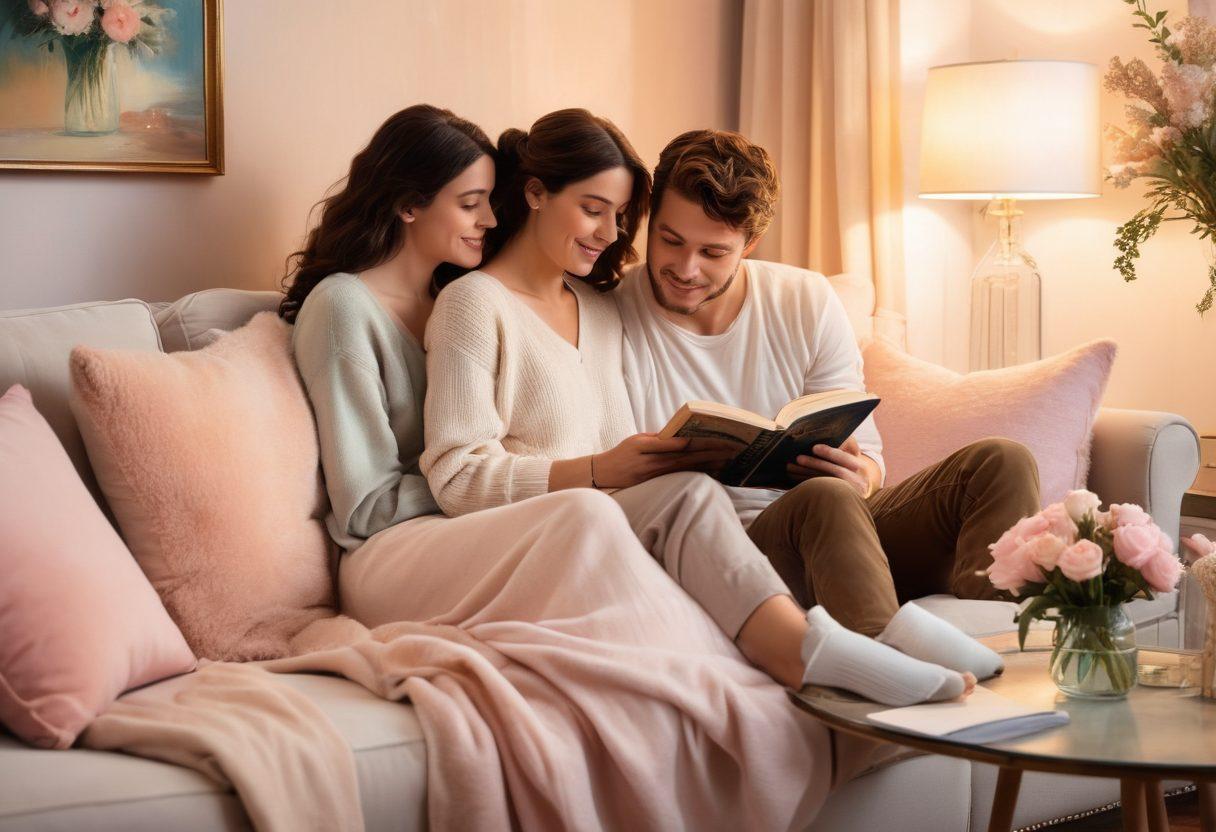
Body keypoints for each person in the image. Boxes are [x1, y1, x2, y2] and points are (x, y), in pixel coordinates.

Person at [280, 105, 852, 829]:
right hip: (398, 545)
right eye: (471, 202)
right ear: (407, 202)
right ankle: (777, 670)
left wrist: (620, 471)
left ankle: (794, 658)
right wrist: (564, 479)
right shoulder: (351, 307)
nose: (488, 218)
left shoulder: (477, 297)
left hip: (510, 525)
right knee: (588, 514)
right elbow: (369, 504)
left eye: (491, 198)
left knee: (679, 494)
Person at [422, 108, 993, 708]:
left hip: (621, 520)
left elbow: (620, 453)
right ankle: (830, 651)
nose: (610, 234)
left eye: (619, 217)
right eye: (596, 210)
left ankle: (954, 643)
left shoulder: (595, 309)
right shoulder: (475, 303)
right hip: (557, 529)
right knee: (696, 494)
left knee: (986, 464)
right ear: (535, 192)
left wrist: (862, 470)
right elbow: (458, 475)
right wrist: (602, 471)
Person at [614, 127, 1042, 648]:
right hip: (728, 552)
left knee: (1002, 462)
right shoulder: (612, 310)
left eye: (713, 252)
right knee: (824, 499)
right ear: (649, 220)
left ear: (749, 243)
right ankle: (884, 688)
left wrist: (860, 474)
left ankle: (1001, 657)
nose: (685, 269)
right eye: (670, 240)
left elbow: (871, 458)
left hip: (839, 534)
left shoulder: (804, 298)